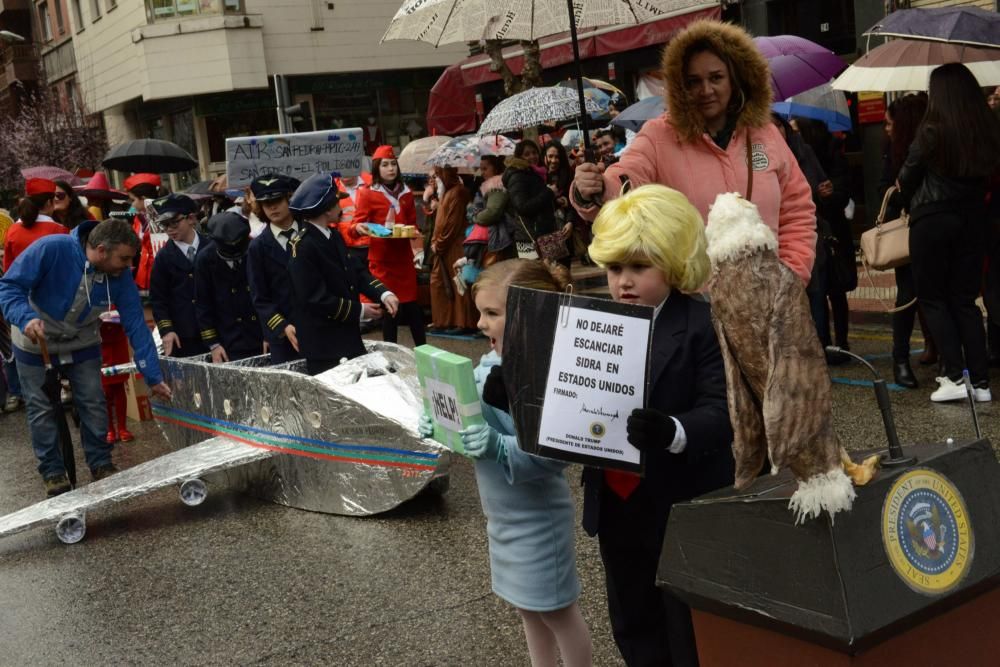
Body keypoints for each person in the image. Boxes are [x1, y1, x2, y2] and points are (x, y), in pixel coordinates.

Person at [581, 184, 734, 667]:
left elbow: (721, 410)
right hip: (615, 502)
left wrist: (674, 430)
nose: (623, 281)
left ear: (672, 262)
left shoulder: (700, 325)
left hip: (679, 500)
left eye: (639, 267)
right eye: (614, 268)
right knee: (631, 618)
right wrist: (523, 398)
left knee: (686, 624)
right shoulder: (592, 323)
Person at [419, 258, 593, 667]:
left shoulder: (550, 374)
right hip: (504, 514)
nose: (479, 323)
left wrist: (501, 447)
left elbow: (553, 455)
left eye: (492, 313)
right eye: (481, 312)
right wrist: (441, 420)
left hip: (537, 519)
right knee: (528, 608)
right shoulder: (491, 365)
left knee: (556, 611)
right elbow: (474, 429)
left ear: (530, 316)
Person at [571, 19, 816, 285]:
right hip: (697, 308)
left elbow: (797, 209)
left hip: (768, 302)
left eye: (716, 78)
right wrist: (595, 188)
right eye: (693, 81)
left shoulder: (765, 133)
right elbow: (626, 180)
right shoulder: (658, 136)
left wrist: (791, 274)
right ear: (680, 86)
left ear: (735, 79)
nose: (706, 90)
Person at [0, 219, 172, 496]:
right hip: (36, 339)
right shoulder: (51, 248)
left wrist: (152, 376)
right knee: (41, 408)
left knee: (93, 400)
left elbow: (136, 326)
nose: (128, 266)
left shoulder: (119, 276)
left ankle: (101, 462)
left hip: (83, 341)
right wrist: (25, 317)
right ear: (102, 250)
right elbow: (8, 287)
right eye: (124, 258)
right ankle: (53, 472)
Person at [897, 63, 1000, 402]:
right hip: (973, 220)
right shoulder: (986, 127)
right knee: (965, 299)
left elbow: (908, 175)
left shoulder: (931, 129)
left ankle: (953, 376)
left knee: (933, 297)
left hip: (932, 219)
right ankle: (981, 383)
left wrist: (904, 194)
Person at [286, 173, 399, 375]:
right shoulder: (302, 246)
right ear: (328, 209)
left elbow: (355, 271)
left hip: (346, 337)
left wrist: (383, 293)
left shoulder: (333, 235)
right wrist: (359, 311)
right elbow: (315, 298)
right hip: (325, 346)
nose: (341, 205)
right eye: (337, 201)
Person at [877, 93, 934, 388]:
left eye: (889, 123)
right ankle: (900, 359)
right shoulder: (892, 149)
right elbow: (884, 187)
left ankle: (944, 356)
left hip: (935, 231)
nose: (886, 128)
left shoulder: (934, 146)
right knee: (906, 297)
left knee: (937, 296)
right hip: (908, 232)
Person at [2, 178, 69, 415]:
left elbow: (9, 274)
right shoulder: (58, 230)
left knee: (29, 365)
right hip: (54, 306)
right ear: (50, 202)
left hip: (22, 309)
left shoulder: (13, 231)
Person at [353, 146, 426, 346]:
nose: (391, 169)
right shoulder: (368, 193)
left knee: (412, 308)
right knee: (389, 309)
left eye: (393, 164)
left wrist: (414, 232)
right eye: (385, 165)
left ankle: (424, 352)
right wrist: (361, 228)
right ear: (377, 168)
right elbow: (357, 223)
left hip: (403, 259)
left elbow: (413, 223)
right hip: (382, 261)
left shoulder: (406, 192)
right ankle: (390, 353)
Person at [797, 119, 856, 358]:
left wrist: (828, 195)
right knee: (819, 290)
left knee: (837, 288)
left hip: (832, 232)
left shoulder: (831, 154)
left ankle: (841, 341)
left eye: (798, 129)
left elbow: (842, 192)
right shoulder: (798, 155)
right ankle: (825, 343)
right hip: (811, 230)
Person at [246, 175, 302, 363]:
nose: (272, 207)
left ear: (288, 198)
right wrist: (283, 326)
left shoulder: (309, 233)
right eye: (265, 203)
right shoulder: (258, 247)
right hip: (283, 336)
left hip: (318, 328)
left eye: (277, 200)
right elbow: (260, 298)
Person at [195, 212, 264, 363]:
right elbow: (203, 304)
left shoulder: (256, 248)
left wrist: (270, 334)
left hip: (260, 334)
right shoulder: (205, 259)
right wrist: (213, 344)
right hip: (229, 339)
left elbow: (267, 294)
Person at [149, 193, 212, 359]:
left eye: (174, 222)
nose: (169, 229)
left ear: (191, 218)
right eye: (164, 225)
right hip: (184, 335)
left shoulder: (211, 247)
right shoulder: (163, 257)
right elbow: (158, 299)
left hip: (216, 328)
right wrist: (167, 330)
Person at [429, 166, 477, 333]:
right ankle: (444, 321)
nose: (435, 179)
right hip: (444, 246)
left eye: (437, 175)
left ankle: (463, 323)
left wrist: (439, 244)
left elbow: (452, 224)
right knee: (441, 283)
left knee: (459, 283)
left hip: (454, 246)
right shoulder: (446, 193)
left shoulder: (458, 192)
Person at [503, 142, 560, 263]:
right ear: (519, 157)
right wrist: (548, 192)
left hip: (545, 231)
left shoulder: (534, 173)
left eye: (534, 152)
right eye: (527, 154)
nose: (532, 156)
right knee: (535, 275)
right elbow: (522, 207)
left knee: (556, 271)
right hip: (528, 236)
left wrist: (556, 200)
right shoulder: (517, 176)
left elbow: (539, 201)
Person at [542, 140, 583, 265]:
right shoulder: (537, 177)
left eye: (557, 157)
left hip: (564, 229)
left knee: (563, 269)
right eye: (550, 156)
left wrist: (570, 222)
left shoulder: (567, 175)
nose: (554, 160)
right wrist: (552, 197)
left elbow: (573, 202)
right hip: (544, 230)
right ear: (544, 156)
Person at [123, 173, 163, 292]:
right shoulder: (138, 218)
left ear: (144, 198)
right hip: (143, 272)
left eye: (133, 199)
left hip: (158, 272)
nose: (132, 204)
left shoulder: (162, 218)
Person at [472, 155, 516, 263]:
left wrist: (476, 217)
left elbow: (492, 212)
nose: (482, 173)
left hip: (505, 237)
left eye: (485, 169)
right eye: (481, 169)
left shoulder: (496, 185)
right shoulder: (492, 185)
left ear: (495, 168)